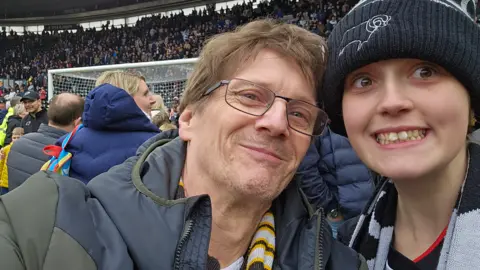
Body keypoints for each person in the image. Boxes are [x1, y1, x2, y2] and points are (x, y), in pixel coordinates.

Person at [0, 20, 366, 269]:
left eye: (300, 113)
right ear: (188, 119)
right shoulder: (46, 227)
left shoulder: (340, 262)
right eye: (251, 96)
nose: (277, 122)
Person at [320, 0, 480, 269]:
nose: (391, 102)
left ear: (471, 99)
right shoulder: (343, 250)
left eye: (425, 72)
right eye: (364, 81)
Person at [51, 72, 159, 184]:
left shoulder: (68, 141)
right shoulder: (155, 145)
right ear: (126, 98)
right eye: (146, 94)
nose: (153, 100)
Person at [298, 126, 374, 238]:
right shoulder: (318, 123)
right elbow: (306, 170)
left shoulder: (360, 119)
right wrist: (331, 208)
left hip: (369, 215)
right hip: (339, 219)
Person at [7, 93, 84, 190]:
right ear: (77, 122)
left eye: (31, 101)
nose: (27, 105)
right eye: (25, 102)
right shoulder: (71, 154)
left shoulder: (18, 145)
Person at [0, 127, 24, 195]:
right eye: (14, 138)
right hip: (4, 183)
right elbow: (1, 163)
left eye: (18, 138)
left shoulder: (24, 150)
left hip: (16, 184)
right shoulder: (6, 149)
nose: (16, 140)